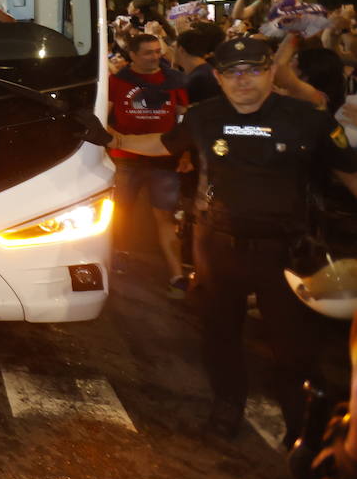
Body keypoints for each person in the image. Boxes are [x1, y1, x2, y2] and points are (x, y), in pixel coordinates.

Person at [110, 37, 357, 441]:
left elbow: (351, 175)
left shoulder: (308, 120)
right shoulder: (205, 116)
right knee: (219, 337)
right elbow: (161, 144)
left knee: (294, 351)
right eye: (232, 72)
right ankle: (226, 409)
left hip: (285, 253)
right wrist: (110, 140)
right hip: (217, 248)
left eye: (253, 69)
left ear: (271, 72)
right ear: (220, 78)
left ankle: (303, 432)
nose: (243, 80)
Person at [107, 32, 190, 295]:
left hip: (164, 160)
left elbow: (184, 119)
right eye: (148, 52)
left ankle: (176, 272)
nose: (156, 56)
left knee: (166, 216)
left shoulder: (174, 80)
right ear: (132, 55)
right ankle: (118, 252)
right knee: (120, 212)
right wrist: (114, 139)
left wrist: (185, 152)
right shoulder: (117, 82)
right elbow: (103, 116)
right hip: (126, 160)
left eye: (158, 51)